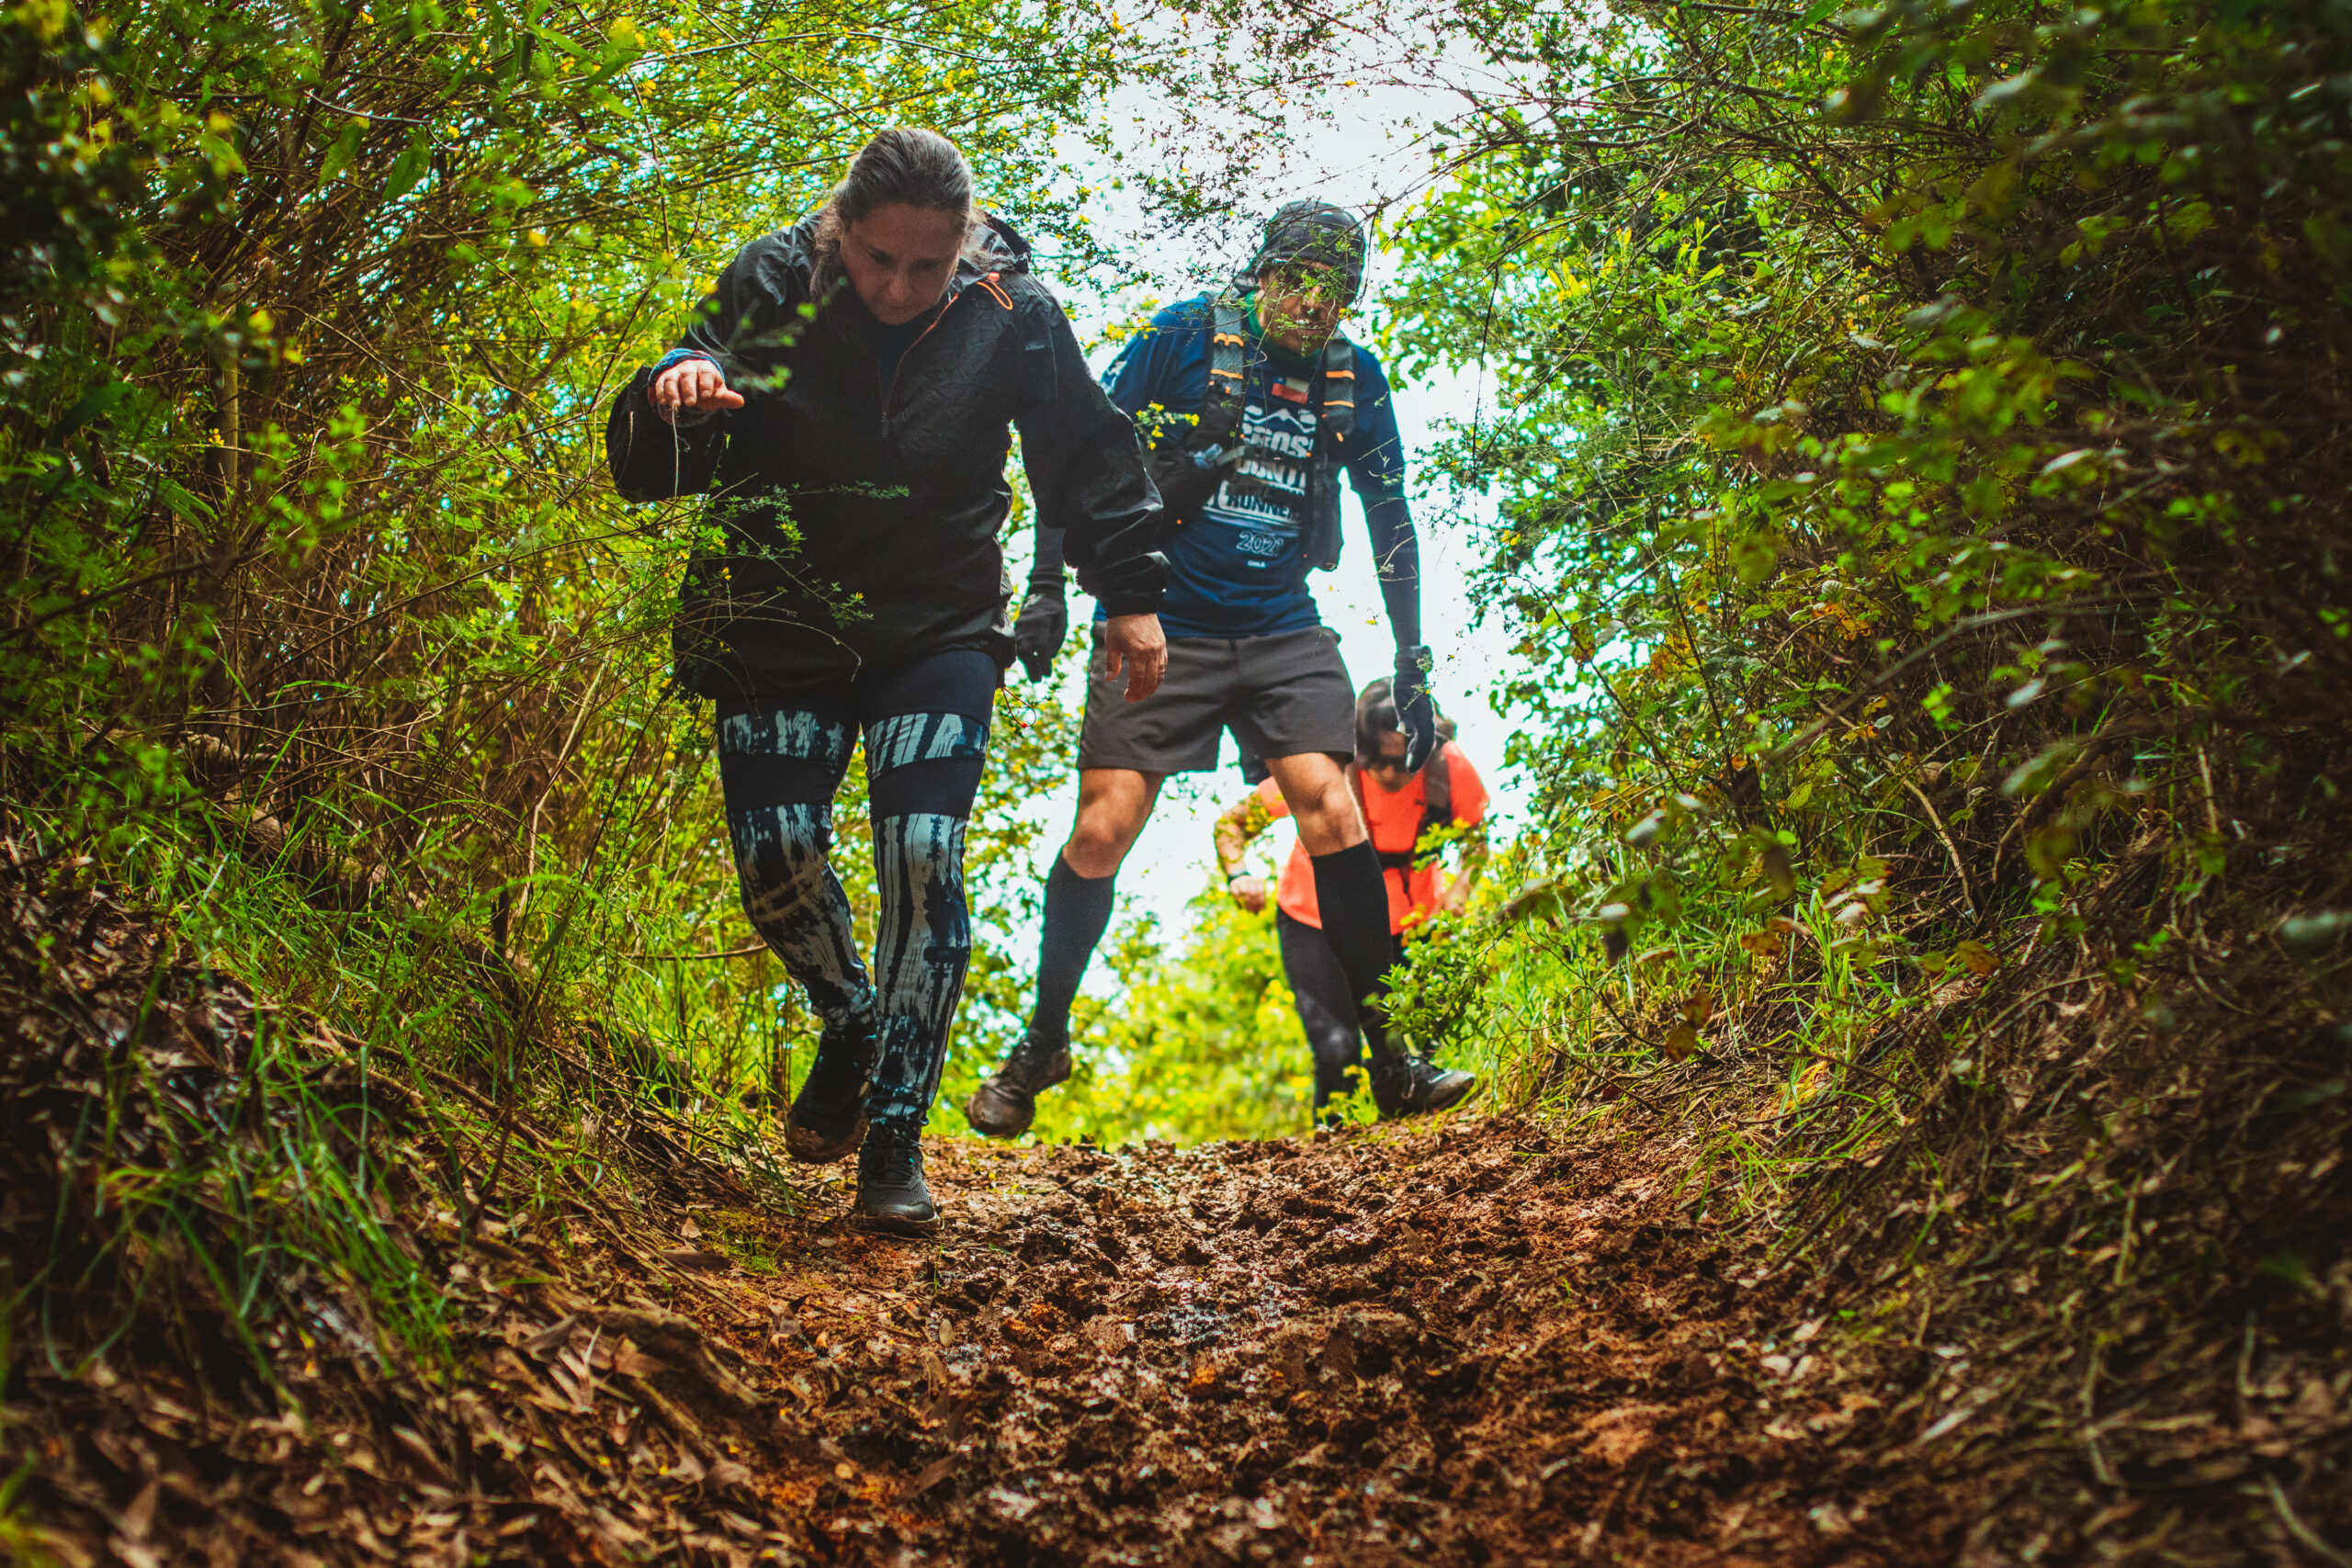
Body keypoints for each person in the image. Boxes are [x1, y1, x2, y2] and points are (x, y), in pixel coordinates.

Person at [605, 128, 1170, 1236]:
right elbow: (664, 430)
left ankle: (896, 1138)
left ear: (964, 245)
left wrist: (1131, 593)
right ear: (839, 231)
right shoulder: (774, 277)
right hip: (775, 609)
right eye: (877, 262)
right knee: (775, 855)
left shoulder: (1013, 308)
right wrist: (676, 390)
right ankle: (850, 1018)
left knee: (922, 856)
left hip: (937, 622)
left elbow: (1085, 449)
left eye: (927, 266)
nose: (900, 288)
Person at [966, 199, 1475, 1138]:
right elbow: (1078, 450)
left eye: (1336, 293)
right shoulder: (1185, 334)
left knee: (1332, 805)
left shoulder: (1353, 379)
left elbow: (1388, 515)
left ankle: (1392, 1055)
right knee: (1104, 825)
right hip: (1163, 619)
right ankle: (1039, 1045)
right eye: (1299, 284)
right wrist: (1047, 587)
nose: (1314, 308)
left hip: (1283, 628)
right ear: (1262, 274)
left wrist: (1409, 655)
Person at [1217, 681, 1488, 1122]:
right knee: (1337, 1052)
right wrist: (1240, 874)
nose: (1390, 776)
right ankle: (1331, 1151)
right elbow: (1231, 825)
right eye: (1378, 762)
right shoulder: (1329, 769)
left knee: (1416, 1049)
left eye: (1403, 762)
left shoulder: (1449, 767)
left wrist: (1459, 892)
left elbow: (1477, 842)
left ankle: (1411, 1153)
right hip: (1313, 920)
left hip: (1410, 925)